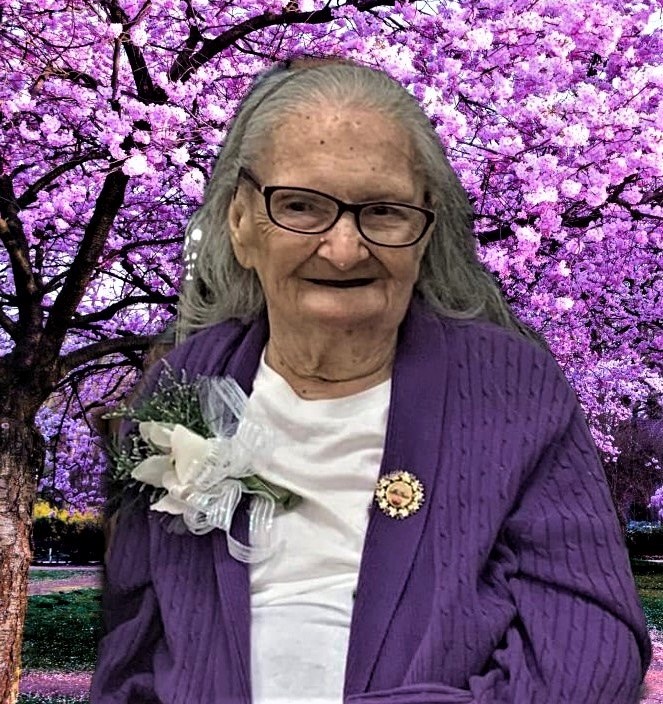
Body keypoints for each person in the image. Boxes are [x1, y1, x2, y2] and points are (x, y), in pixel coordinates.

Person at [90, 56, 652, 704]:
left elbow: (589, 654)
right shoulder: (181, 387)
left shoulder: (512, 388)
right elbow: (130, 651)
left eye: (381, 211)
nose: (343, 248)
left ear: (425, 228)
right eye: (300, 205)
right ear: (241, 222)